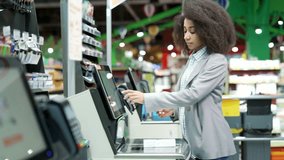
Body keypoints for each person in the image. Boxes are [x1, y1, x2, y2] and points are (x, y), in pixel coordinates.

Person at [122, 0, 236, 159]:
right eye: (184, 31)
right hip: (192, 143)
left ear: (207, 31)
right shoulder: (193, 59)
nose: (187, 36)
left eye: (193, 31)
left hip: (211, 143)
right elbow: (190, 100)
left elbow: (193, 94)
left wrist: (147, 98)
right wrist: (175, 109)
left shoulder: (216, 60)